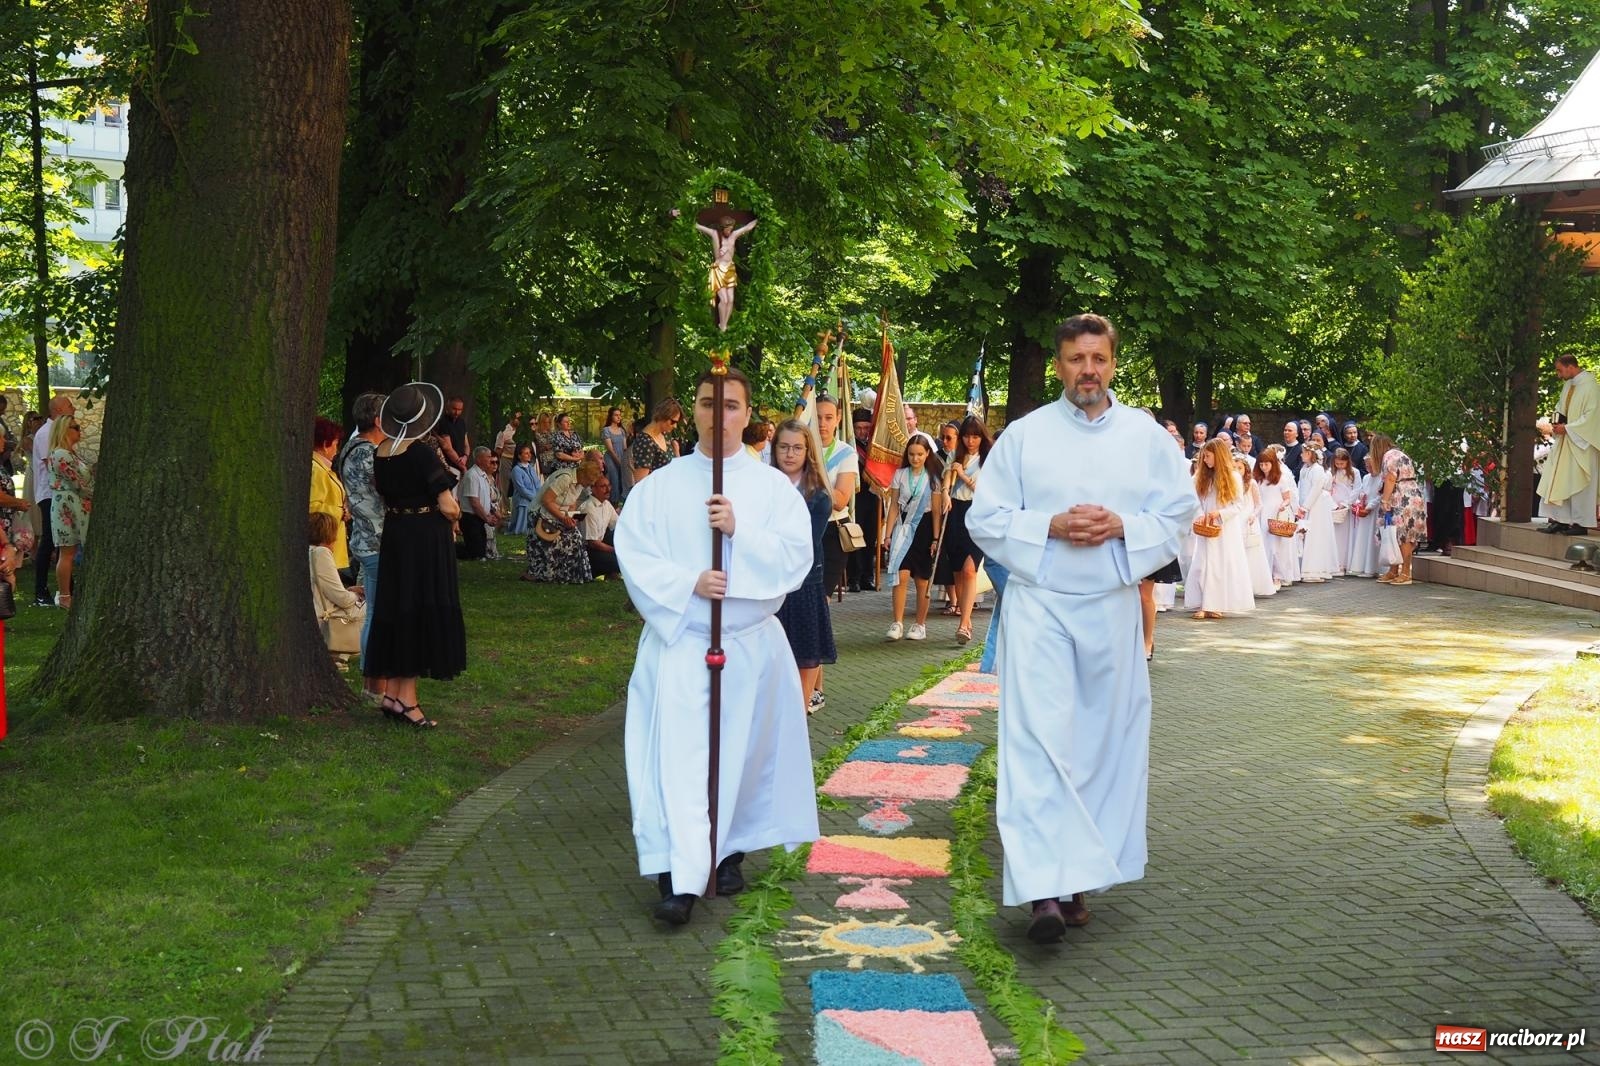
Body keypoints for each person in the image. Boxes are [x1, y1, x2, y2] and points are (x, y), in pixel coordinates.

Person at [966, 313, 1195, 944]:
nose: (1086, 371)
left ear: (1113, 362)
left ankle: (1076, 880)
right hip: (1040, 603)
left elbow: (1179, 511)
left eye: (1097, 358)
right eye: (1074, 360)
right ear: (1059, 365)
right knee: (1037, 741)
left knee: (1100, 742)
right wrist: (1050, 528)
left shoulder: (1146, 437)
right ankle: (1040, 888)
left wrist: (1122, 526)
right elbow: (986, 520)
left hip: (1111, 604)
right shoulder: (1024, 436)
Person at [615, 365, 817, 926]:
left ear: (747, 415)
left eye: (731, 406)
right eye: (708, 403)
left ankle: (726, 851)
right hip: (681, 641)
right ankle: (678, 873)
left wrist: (739, 533)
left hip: (749, 645)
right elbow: (635, 554)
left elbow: (796, 559)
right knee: (678, 758)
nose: (718, 415)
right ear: (693, 411)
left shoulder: (772, 488)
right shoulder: (659, 487)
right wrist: (689, 584)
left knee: (740, 757)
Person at [364, 382, 465, 728]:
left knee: (397, 608)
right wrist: (453, 515)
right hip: (424, 539)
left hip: (396, 536)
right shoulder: (420, 453)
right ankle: (406, 700)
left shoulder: (381, 452)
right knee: (418, 609)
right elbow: (448, 505)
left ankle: (393, 693)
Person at [770, 419, 837, 713]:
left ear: (808, 451)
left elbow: (803, 544)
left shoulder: (818, 494)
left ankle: (801, 705)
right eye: (783, 447)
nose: (790, 454)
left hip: (803, 582)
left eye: (797, 448)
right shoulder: (763, 485)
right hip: (768, 583)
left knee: (806, 651)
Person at [341, 392, 388, 697]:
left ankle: (373, 680)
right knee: (379, 613)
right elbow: (387, 487)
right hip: (376, 538)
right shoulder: (367, 453)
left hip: (365, 537)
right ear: (377, 420)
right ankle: (374, 681)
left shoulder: (351, 448)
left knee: (375, 611)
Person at [1184, 438, 1254, 619]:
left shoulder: (1233, 477)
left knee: (1219, 565)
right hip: (1205, 526)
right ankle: (1203, 603)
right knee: (1202, 564)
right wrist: (1200, 514)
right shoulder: (1201, 475)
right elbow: (1192, 499)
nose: (1205, 460)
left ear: (1218, 456)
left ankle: (1214, 604)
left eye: (1208, 456)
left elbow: (1238, 505)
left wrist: (1220, 514)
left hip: (1224, 528)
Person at [936, 416, 991, 645]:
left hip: (977, 512)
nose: (971, 441)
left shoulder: (988, 459)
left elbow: (986, 491)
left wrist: (964, 475)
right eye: (967, 436)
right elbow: (946, 478)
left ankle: (965, 623)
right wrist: (947, 492)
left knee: (970, 570)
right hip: (955, 511)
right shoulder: (953, 455)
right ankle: (963, 617)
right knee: (958, 569)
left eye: (975, 436)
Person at [883, 436, 943, 641]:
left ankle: (919, 624)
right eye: (911, 454)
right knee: (901, 574)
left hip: (924, 528)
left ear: (927, 454)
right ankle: (897, 622)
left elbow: (936, 511)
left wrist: (935, 538)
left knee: (922, 580)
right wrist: (887, 534)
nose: (915, 458)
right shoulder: (900, 474)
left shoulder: (933, 478)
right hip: (903, 527)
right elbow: (893, 506)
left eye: (919, 454)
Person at [1538, 354, 1599, 534]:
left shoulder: (1592, 387)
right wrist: (1557, 422)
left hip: (1582, 445)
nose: (1558, 374)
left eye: (1559, 370)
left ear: (1571, 366)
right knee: (1559, 480)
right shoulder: (1568, 385)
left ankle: (1580, 524)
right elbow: (1560, 408)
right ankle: (1561, 519)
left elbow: (1592, 417)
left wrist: (1569, 428)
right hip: (1566, 441)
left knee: (1579, 482)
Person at [524, 459, 600, 584]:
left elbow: (572, 502)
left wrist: (571, 516)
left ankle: (571, 574)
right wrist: (563, 518)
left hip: (557, 515)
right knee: (562, 540)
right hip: (541, 515)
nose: (589, 485)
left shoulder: (580, 483)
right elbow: (547, 500)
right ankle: (549, 573)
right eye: (589, 481)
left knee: (576, 537)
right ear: (583, 475)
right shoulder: (565, 478)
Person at [46, 414, 93, 609]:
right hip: (67, 505)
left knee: (71, 550)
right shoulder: (60, 455)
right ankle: (64, 595)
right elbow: (77, 482)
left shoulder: (70, 454)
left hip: (76, 504)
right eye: (75, 427)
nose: (79, 430)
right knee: (67, 551)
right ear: (65, 430)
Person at [815, 395, 860, 598]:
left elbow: (840, 500)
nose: (822, 423)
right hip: (804, 529)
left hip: (833, 531)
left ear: (838, 418)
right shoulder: (800, 448)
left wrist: (813, 476)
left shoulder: (846, 453)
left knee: (822, 596)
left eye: (828, 417)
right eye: (817, 417)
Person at [31, 394, 73, 606]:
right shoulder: (46, 433)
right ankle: (40, 591)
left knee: (64, 541)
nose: (73, 409)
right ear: (58, 411)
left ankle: (67, 587)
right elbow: (54, 464)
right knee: (49, 540)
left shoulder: (56, 432)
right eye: (69, 406)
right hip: (49, 493)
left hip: (60, 493)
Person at [1371, 432, 1426, 585]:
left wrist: (1385, 500)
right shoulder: (1400, 454)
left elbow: (1390, 478)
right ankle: (1394, 570)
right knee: (1396, 534)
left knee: (1403, 536)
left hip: (1400, 497)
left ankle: (1406, 572)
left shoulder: (1388, 456)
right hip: (1411, 494)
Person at [309, 511, 364, 662]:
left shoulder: (306, 551)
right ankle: (343, 654)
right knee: (371, 606)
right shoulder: (321, 553)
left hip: (315, 608)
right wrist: (357, 594)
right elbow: (342, 599)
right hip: (323, 614)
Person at [695, 214, 758, 331]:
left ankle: (724, 324)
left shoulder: (733, 236)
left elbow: (748, 227)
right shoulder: (715, 234)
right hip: (719, 269)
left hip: (730, 269)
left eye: (731, 229)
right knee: (724, 300)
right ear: (722, 228)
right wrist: (680, 214)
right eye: (728, 229)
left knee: (730, 300)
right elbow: (697, 226)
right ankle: (722, 325)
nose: (730, 231)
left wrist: (761, 219)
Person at [1254, 446, 1300, 587]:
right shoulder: (1259, 479)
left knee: (1276, 547)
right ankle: (1265, 574)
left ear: (1273, 463)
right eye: (1261, 464)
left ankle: (1277, 576)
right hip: (1262, 514)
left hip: (1276, 514)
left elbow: (1287, 498)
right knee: (1264, 545)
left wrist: (1284, 505)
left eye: (1266, 464)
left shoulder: (1281, 479)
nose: (1263, 467)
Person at [847, 408, 881, 592]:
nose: (862, 431)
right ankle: (854, 578)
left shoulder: (875, 447)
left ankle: (868, 576)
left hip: (873, 496)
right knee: (855, 537)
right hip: (855, 496)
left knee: (871, 538)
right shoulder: (850, 446)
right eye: (859, 428)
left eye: (866, 427)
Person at [1237, 453, 1277, 600]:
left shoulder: (1251, 483)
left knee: (1251, 552)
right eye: (1234, 468)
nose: (1237, 471)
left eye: (1239, 468)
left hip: (1248, 519)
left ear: (1245, 469)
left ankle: (1253, 584)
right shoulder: (1231, 483)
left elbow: (1259, 503)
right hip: (1236, 519)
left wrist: (1253, 514)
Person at [1297, 444, 1338, 582]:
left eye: (1303, 452)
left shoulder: (1318, 469)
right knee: (1305, 535)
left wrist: (1306, 506)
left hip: (1316, 507)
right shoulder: (1304, 469)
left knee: (1316, 535)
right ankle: (1305, 568)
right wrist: (1299, 504)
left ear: (1309, 454)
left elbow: (1316, 489)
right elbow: (1300, 486)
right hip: (1305, 504)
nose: (1301, 454)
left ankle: (1315, 570)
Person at [456, 446, 498, 561]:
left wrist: (490, 514)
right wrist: (487, 518)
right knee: (475, 553)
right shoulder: (472, 476)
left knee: (480, 551)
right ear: (479, 459)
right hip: (471, 518)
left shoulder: (483, 476)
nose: (491, 460)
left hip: (479, 518)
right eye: (488, 457)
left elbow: (485, 499)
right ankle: (450, 549)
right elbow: (474, 502)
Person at [1347, 452, 1382, 578]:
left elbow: (1380, 495)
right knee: (1363, 538)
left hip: (1375, 511)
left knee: (1374, 539)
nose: (1369, 468)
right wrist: (1359, 503)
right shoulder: (1366, 477)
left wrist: (1369, 507)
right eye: (1367, 466)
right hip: (1365, 511)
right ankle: (1362, 566)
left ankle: (1374, 568)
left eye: (1371, 465)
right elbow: (1362, 491)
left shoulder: (1381, 477)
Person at [630, 399, 682, 484]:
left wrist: (676, 451)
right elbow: (641, 483)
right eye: (673, 422)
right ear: (662, 416)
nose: (675, 426)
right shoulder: (645, 442)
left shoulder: (663, 435)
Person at [579, 474, 621, 577]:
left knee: (619, 537)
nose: (608, 489)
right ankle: (605, 571)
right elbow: (593, 543)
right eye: (603, 486)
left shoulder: (606, 504)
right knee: (620, 562)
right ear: (592, 489)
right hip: (587, 551)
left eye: (609, 485)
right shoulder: (588, 508)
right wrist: (616, 551)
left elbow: (619, 527)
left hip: (599, 543)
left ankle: (612, 571)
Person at [1328, 447, 1362, 574]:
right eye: (1337, 463)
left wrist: (1346, 503)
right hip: (1334, 506)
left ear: (1348, 461)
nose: (1340, 466)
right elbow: (1327, 489)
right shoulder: (1331, 473)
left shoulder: (1354, 472)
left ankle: (1346, 563)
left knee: (1347, 536)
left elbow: (1357, 489)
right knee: (1335, 536)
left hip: (1347, 506)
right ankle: (1335, 563)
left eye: (1342, 463)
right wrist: (1333, 504)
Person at [600, 406, 634, 504]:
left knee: (623, 480)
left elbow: (624, 448)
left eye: (620, 415)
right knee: (614, 480)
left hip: (622, 457)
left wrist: (625, 461)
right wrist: (619, 462)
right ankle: (612, 503)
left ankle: (621, 503)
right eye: (616, 415)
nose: (619, 417)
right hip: (611, 459)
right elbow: (610, 450)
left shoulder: (622, 430)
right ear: (611, 416)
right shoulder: (606, 430)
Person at [507, 444, 541, 535]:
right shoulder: (516, 470)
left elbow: (537, 484)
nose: (529, 455)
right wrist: (534, 498)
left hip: (534, 500)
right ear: (519, 456)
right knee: (522, 531)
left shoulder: (531, 468)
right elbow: (521, 489)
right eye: (526, 453)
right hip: (522, 501)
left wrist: (540, 496)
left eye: (529, 453)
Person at [435, 395, 470, 480]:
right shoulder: (443, 422)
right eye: (454, 409)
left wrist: (465, 457)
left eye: (460, 410)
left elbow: (466, 444)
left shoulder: (462, 422)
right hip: (448, 467)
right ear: (448, 407)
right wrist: (462, 466)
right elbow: (447, 448)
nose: (457, 412)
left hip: (461, 465)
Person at [493, 411, 521, 510]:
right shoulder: (504, 432)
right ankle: (505, 509)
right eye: (516, 418)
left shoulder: (522, 431)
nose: (517, 420)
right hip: (506, 460)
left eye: (519, 418)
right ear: (511, 418)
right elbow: (498, 450)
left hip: (519, 462)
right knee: (506, 486)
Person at [532, 411, 557, 477]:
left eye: (548, 422)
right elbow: (534, 450)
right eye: (544, 422)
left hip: (554, 461)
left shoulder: (552, 433)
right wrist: (545, 448)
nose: (547, 424)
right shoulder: (536, 434)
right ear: (540, 422)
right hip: (543, 462)